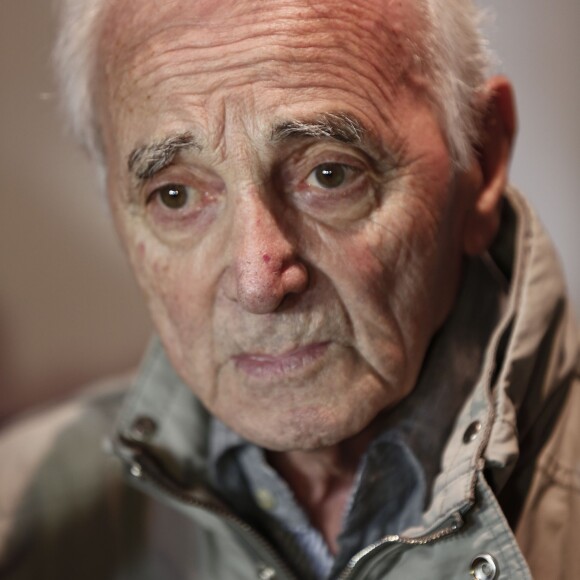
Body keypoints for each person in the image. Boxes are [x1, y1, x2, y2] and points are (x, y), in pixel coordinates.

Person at [1, 0, 579, 578]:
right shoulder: (24, 515)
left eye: (329, 174)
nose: (259, 282)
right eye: (175, 195)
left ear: (482, 155)